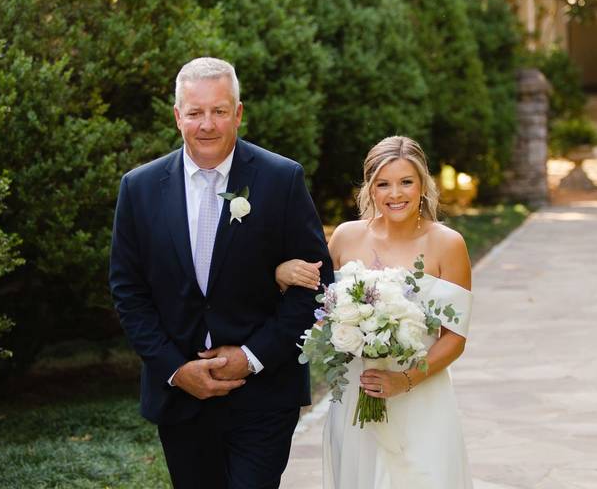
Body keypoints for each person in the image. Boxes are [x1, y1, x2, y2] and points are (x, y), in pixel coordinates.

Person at [108, 57, 333, 489]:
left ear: (238, 113)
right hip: (181, 396)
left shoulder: (281, 179)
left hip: (265, 394)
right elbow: (128, 292)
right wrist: (175, 369)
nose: (206, 124)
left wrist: (250, 359)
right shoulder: (138, 188)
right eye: (195, 112)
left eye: (218, 111)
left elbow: (316, 284)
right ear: (178, 117)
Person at [277, 135, 474, 488]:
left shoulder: (448, 243)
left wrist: (404, 380)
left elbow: (455, 338)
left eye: (406, 182)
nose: (395, 194)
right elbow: (314, 300)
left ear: (423, 185)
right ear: (369, 188)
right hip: (356, 393)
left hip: (421, 396)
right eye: (383, 184)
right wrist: (281, 273)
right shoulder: (345, 237)